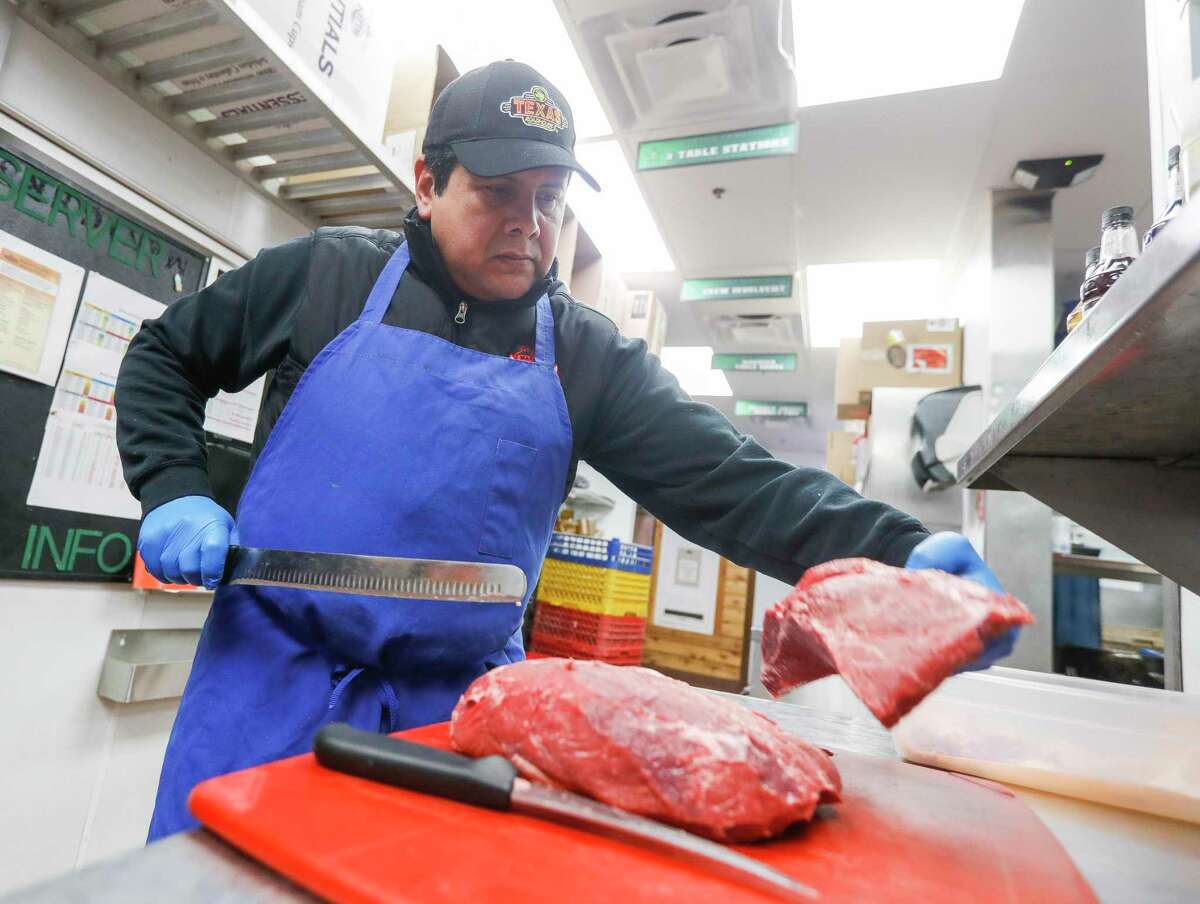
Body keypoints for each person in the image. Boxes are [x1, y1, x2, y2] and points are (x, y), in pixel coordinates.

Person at [115, 61, 1017, 840]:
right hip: (265, 683)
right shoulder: (326, 276)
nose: (528, 224)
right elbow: (164, 356)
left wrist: (899, 556)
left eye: (547, 200)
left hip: (458, 721)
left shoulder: (586, 357)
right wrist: (171, 488)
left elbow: (735, 485)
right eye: (498, 195)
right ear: (428, 184)